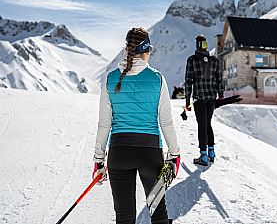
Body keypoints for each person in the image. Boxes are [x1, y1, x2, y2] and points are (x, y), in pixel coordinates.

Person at [92, 27, 180, 224]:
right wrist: (174, 154)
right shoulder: (157, 79)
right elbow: (165, 121)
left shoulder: (111, 78)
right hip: (150, 154)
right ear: (146, 51)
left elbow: (104, 124)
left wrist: (99, 161)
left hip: (119, 153)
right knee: (158, 214)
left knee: (124, 217)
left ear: (127, 50)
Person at [184, 34, 224, 166]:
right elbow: (219, 79)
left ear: (197, 45)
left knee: (202, 125)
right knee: (208, 123)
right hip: (211, 97)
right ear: (206, 45)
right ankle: (211, 152)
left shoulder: (192, 60)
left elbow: (188, 81)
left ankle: (203, 156)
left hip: (199, 98)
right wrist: (221, 93)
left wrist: (187, 101)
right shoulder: (215, 60)